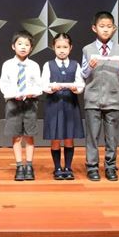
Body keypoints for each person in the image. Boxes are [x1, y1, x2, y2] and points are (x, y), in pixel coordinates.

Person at [80, 11, 119, 182]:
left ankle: (110, 167)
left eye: (109, 26)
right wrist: (89, 67)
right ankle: (92, 167)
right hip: (92, 98)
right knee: (92, 136)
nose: (106, 30)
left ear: (114, 28)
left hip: (113, 98)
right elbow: (83, 74)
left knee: (112, 137)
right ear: (94, 28)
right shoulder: (87, 49)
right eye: (102, 26)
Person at [0, 30, 43, 181]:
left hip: (30, 103)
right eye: (20, 44)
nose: (23, 47)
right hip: (13, 103)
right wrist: (13, 94)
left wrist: (32, 93)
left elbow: (39, 85)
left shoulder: (34, 65)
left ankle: (29, 165)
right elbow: (3, 84)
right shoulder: (7, 65)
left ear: (31, 48)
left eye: (27, 44)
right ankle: (19, 166)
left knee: (29, 136)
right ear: (13, 46)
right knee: (16, 136)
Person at [41, 33, 85, 180]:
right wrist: (51, 88)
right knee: (55, 137)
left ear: (70, 48)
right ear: (53, 47)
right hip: (54, 105)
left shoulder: (75, 65)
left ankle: (68, 167)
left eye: (65, 47)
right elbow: (43, 84)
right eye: (58, 47)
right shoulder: (48, 65)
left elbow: (80, 84)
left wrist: (76, 88)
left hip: (70, 104)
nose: (62, 50)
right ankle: (57, 168)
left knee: (69, 136)